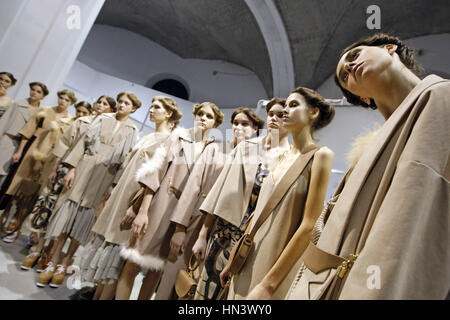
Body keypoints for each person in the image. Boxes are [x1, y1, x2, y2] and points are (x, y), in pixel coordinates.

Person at [286, 33, 449, 300]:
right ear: (362, 99)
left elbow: (411, 223)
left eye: (353, 57)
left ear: (389, 48)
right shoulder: (366, 154)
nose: (349, 68)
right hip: (322, 283)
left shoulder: (440, 96)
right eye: (344, 77)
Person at [220, 88, 335, 300]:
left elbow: (309, 225)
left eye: (294, 105)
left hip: (274, 261)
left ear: (313, 113)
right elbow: (259, 212)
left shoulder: (320, 156)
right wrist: (233, 259)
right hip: (248, 255)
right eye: (286, 106)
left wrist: (270, 284)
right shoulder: (280, 157)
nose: (285, 111)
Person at [116, 101, 224, 300]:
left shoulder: (214, 150)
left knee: (156, 270)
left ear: (216, 123)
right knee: (134, 261)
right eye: (200, 113)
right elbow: (154, 174)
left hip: (182, 218)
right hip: (159, 206)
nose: (203, 118)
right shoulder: (178, 137)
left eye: (209, 116)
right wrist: (142, 211)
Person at [154, 107, 264, 300]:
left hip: (225, 232)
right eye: (236, 123)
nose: (238, 127)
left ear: (255, 128)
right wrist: (180, 228)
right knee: (174, 278)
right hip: (196, 221)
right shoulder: (215, 149)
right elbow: (192, 187)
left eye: (245, 124)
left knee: (200, 287)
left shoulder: (258, 161)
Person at [78, 96, 182, 300]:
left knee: (117, 254)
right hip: (121, 194)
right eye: (151, 106)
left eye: (157, 108)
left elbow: (155, 180)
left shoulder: (167, 141)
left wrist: (137, 207)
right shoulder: (148, 136)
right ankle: (97, 293)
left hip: (132, 199)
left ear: (168, 113)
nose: (151, 110)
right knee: (108, 245)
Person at [37, 92, 140, 288]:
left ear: (133, 109)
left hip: (106, 174)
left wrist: (114, 184)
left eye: (127, 103)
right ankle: (54, 259)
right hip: (85, 166)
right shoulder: (102, 118)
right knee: (68, 211)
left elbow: (125, 161)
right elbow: (82, 144)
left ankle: (66, 261)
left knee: (85, 217)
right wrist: (72, 168)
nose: (121, 105)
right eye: (120, 102)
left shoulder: (132, 129)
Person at [191, 98, 288, 300]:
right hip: (224, 234)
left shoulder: (291, 158)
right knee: (207, 291)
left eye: (281, 115)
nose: (274, 119)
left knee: (237, 294)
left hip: (257, 240)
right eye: (271, 114)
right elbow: (219, 194)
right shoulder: (245, 148)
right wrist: (202, 235)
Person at [20, 97, 115, 271]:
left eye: (105, 104)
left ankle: (50, 252)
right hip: (65, 169)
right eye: (99, 102)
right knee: (49, 208)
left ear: (111, 110)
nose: (100, 106)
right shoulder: (82, 121)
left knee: (64, 215)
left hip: (84, 176)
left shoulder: (108, 130)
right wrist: (55, 168)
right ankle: (38, 248)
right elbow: (64, 144)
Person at [0, 89, 75, 243]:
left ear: (71, 103)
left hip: (49, 160)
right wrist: (20, 151)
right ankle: (3, 218)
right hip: (31, 154)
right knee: (14, 187)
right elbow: (27, 132)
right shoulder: (45, 111)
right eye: (61, 98)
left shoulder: (70, 121)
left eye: (67, 100)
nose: (62, 101)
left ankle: (16, 228)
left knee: (31, 194)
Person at [0, 82, 49, 187]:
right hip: (7, 141)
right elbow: (3, 123)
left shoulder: (42, 112)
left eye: (38, 91)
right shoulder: (18, 104)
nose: (34, 93)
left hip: (23, 147)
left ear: (43, 96)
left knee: (8, 178)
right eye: (33, 90)